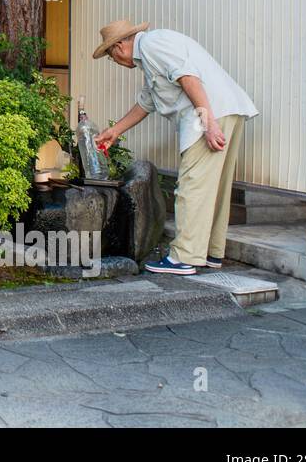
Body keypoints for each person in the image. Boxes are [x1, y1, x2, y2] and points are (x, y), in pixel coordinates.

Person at [92, 19, 258, 275]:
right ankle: (210, 253)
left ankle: (185, 257)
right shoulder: (150, 54)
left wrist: (208, 123)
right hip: (226, 110)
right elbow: (147, 102)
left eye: (110, 56)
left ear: (119, 47)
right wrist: (115, 131)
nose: (114, 61)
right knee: (214, 188)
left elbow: (188, 77)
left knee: (192, 186)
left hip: (209, 115)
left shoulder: (152, 45)